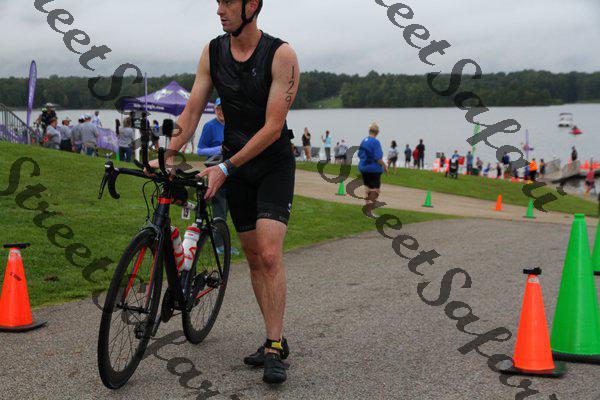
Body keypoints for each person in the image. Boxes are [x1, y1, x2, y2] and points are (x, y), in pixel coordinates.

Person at [147, 0, 299, 384]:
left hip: (272, 164)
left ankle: (274, 346)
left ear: (252, 5)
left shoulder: (281, 55)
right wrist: (167, 154)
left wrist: (225, 167)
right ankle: (273, 339)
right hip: (236, 166)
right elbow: (192, 111)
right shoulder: (212, 52)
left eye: (228, 1)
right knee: (254, 257)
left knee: (269, 252)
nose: (219, 9)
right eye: (217, 1)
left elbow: (273, 127)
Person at [358, 123, 388, 219]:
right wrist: (384, 165)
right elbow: (377, 157)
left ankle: (367, 210)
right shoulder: (375, 142)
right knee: (375, 190)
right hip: (373, 169)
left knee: (367, 188)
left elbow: (359, 154)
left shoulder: (364, 141)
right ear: (377, 132)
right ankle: (370, 211)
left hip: (364, 168)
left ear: (369, 131)